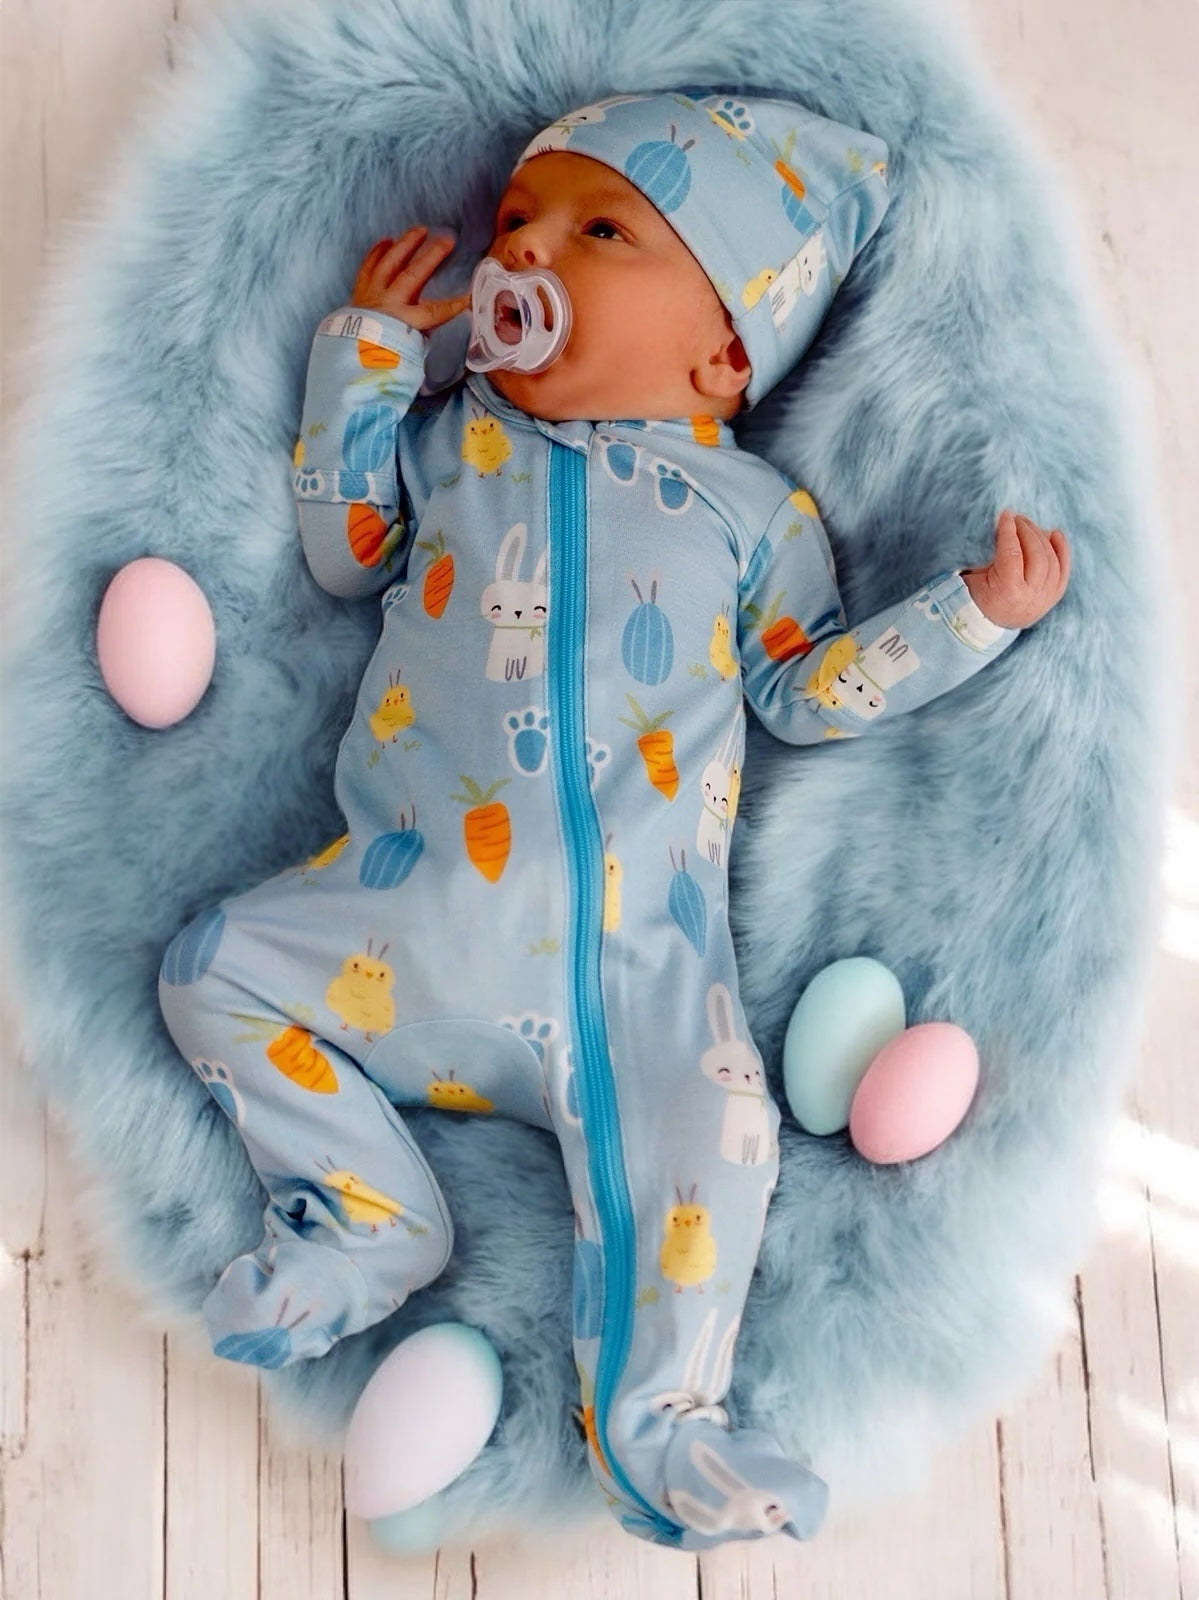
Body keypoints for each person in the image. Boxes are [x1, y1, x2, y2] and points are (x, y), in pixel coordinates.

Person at [158, 90, 1069, 1549]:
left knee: (720, 1143)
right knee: (210, 970)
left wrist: (969, 616)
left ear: (723, 350)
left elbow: (805, 693)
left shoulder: (754, 515)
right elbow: (344, 554)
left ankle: (664, 1428)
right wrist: (373, 361)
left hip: (632, 976)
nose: (526, 254)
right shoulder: (458, 444)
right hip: (407, 911)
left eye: (599, 232)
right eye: (518, 223)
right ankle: (368, 1215)